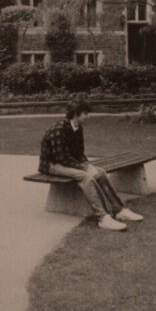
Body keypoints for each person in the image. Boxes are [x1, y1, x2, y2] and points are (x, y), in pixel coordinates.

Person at [38, 98, 144, 231]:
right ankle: (103, 218)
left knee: (100, 172)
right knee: (87, 177)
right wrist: (84, 167)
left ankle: (119, 210)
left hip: (67, 163)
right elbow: (61, 158)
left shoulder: (78, 128)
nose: (89, 116)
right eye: (86, 113)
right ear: (77, 114)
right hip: (52, 165)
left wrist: (87, 165)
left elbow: (80, 153)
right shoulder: (58, 130)